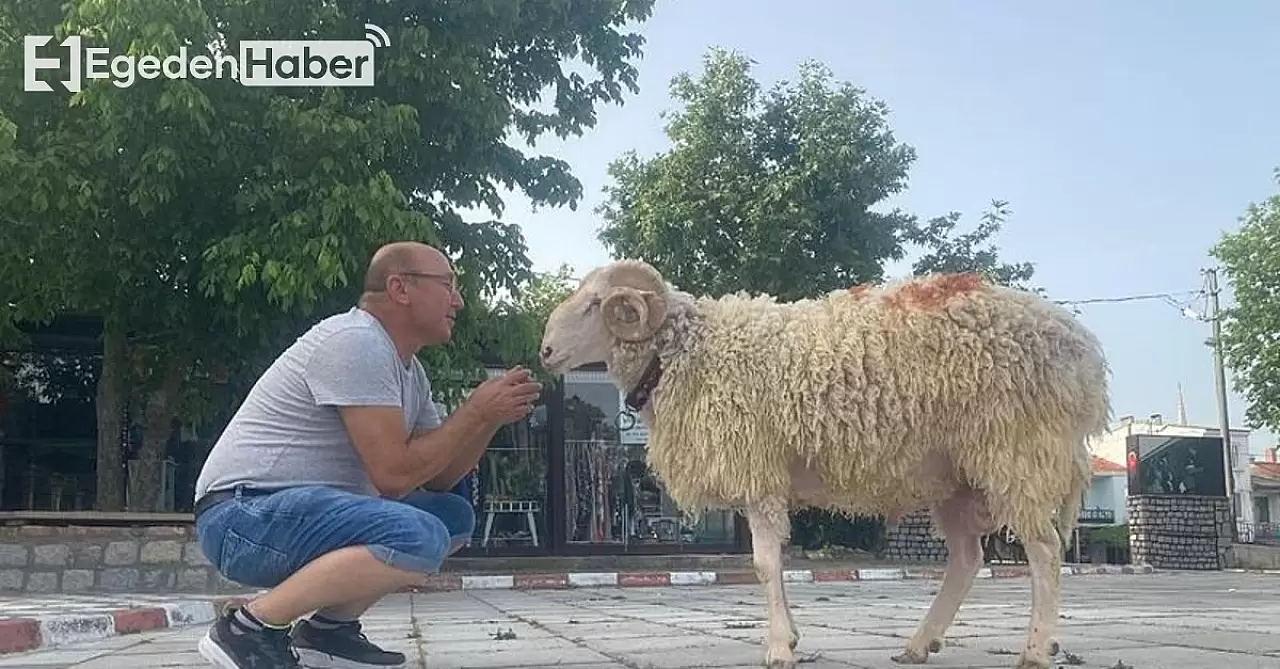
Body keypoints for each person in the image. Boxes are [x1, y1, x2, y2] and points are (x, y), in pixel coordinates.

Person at [191, 242, 542, 669]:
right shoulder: (356, 342)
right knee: (419, 535)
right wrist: (473, 411)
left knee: (451, 516)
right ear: (399, 288)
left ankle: (328, 632)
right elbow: (393, 475)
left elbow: (438, 478)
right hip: (243, 516)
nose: (458, 300)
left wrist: (487, 419)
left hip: (287, 515)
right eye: (447, 284)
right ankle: (246, 629)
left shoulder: (408, 369)